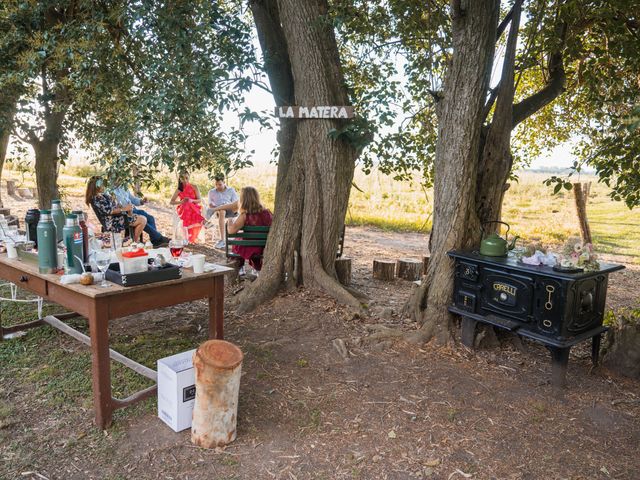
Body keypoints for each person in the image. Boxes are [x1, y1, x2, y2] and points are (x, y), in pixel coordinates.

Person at [85, 176, 147, 241]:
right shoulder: (96, 198)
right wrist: (124, 209)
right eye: (102, 184)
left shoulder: (102, 195)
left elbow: (112, 206)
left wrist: (122, 207)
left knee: (143, 218)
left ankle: (132, 241)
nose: (104, 186)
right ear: (97, 186)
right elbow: (109, 211)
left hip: (117, 217)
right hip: (112, 222)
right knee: (142, 220)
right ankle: (134, 242)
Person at [227, 186, 273, 272]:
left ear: (243, 200)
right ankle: (257, 267)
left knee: (237, 242)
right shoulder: (267, 212)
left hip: (249, 247)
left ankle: (240, 267)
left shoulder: (245, 215)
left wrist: (230, 221)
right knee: (246, 242)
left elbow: (231, 231)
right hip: (263, 247)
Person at [170, 171, 204, 244]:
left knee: (188, 202)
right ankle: (202, 220)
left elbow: (199, 200)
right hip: (182, 208)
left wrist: (192, 200)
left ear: (189, 177)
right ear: (180, 179)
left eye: (186, 178)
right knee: (186, 203)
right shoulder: (179, 189)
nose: (185, 180)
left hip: (194, 208)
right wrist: (181, 202)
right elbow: (171, 202)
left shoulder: (194, 187)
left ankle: (187, 237)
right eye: (183, 178)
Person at [206, 174, 239, 249]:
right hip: (219, 211)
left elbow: (235, 203)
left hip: (231, 209)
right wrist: (217, 207)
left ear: (224, 182)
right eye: (216, 184)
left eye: (220, 184)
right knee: (222, 211)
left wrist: (226, 205)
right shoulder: (211, 192)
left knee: (223, 209)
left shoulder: (231, 190)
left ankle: (225, 239)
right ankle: (222, 240)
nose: (218, 186)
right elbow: (210, 204)